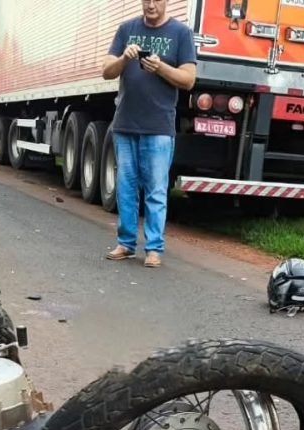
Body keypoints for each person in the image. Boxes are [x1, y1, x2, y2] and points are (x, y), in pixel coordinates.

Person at [102, 0, 197, 268]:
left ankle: (154, 249)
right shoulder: (126, 29)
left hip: (158, 127)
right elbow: (106, 71)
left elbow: (189, 79)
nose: (151, 5)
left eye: (156, 0)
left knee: (155, 190)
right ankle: (126, 244)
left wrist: (160, 67)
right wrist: (124, 58)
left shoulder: (181, 33)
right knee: (126, 188)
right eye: (146, 0)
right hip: (125, 123)